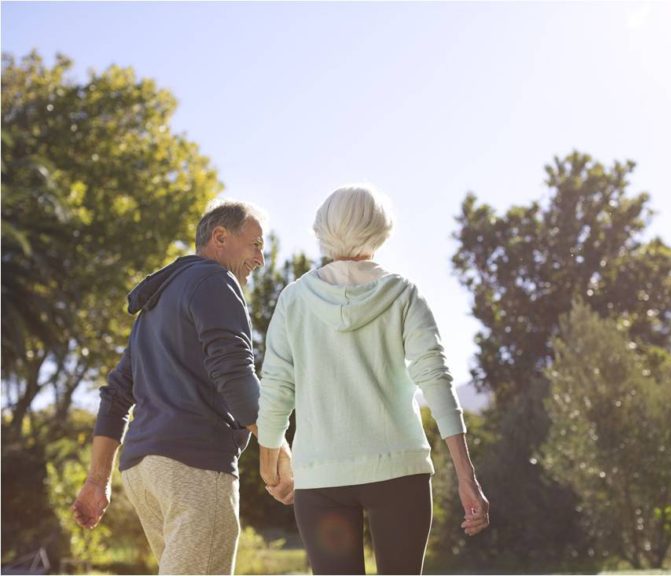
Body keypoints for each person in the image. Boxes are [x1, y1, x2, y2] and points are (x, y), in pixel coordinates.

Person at [257, 185, 490, 575]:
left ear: (322, 229)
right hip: (399, 471)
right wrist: (467, 477)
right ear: (382, 229)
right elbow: (435, 378)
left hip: (321, 475)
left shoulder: (294, 299)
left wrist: (270, 465)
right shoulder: (402, 294)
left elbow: (277, 388)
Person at [72, 201, 293, 575]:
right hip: (194, 465)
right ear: (220, 237)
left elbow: (115, 395)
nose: (260, 258)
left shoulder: (154, 307)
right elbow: (235, 375)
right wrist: (278, 445)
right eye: (255, 244)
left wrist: (97, 480)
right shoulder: (215, 281)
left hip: (144, 471)